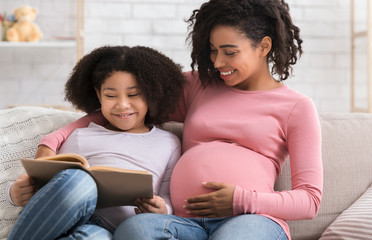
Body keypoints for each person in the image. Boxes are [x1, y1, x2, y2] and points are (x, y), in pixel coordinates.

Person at [22, 0, 323, 239]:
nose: (217, 62)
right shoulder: (200, 85)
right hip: (181, 223)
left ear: (264, 46)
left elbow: (309, 201)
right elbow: (122, 106)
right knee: (134, 231)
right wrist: (51, 142)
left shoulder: (296, 107)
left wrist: (243, 200)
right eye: (212, 51)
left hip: (250, 219)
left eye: (229, 52)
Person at [6, 45, 186, 239]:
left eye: (133, 94)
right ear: (98, 95)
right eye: (110, 95)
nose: (122, 104)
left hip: (118, 231)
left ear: (151, 94)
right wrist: (13, 194)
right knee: (79, 181)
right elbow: (50, 187)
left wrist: (162, 209)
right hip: (77, 220)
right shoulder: (81, 136)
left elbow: (168, 196)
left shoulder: (168, 142)